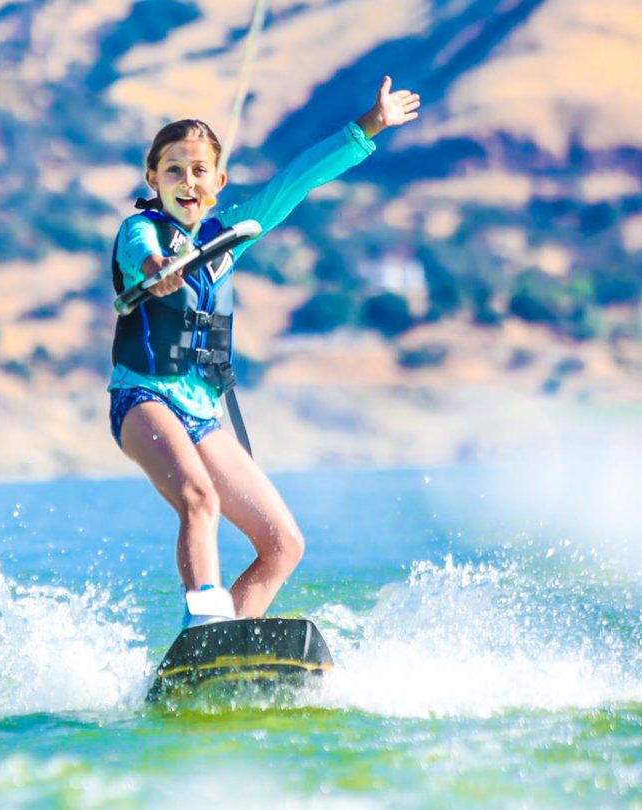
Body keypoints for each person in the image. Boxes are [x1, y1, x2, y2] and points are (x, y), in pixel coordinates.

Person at [108, 76, 421, 627]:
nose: (187, 181)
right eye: (174, 170)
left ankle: (229, 644)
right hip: (142, 398)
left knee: (283, 544)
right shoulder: (140, 230)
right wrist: (160, 272)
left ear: (218, 182)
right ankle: (205, 625)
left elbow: (298, 180)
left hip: (202, 412)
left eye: (199, 170)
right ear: (152, 178)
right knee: (199, 498)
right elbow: (143, 255)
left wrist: (370, 126)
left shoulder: (230, 234)